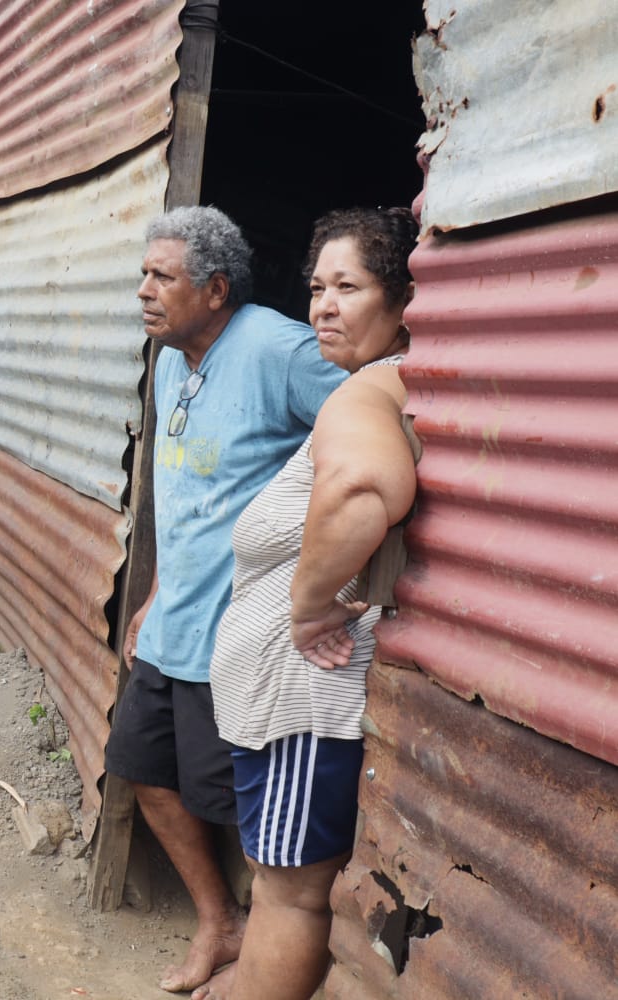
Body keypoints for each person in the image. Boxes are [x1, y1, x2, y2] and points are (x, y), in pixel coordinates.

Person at [104, 206, 347, 998]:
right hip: (175, 623)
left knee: (249, 810)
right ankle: (220, 921)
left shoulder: (282, 352)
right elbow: (185, 495)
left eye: (162, 277)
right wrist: (155, 592)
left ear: (215, 289)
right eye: (144, 274)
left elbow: (376, 428)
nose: (144, 291)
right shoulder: (173, 360)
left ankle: (273, 954)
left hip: (240, 635)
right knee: (142, 769)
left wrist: (335, 577)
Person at [208, 207, 419, 1000]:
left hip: (305, 701)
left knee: (291, 894)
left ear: (402, 299)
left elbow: (361, 490)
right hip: (285, 708)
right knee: (276, 883)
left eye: (348, 288)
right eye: (316, 288)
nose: (323, 306)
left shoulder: (368, 392)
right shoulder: (374, 386)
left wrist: (306, 607)